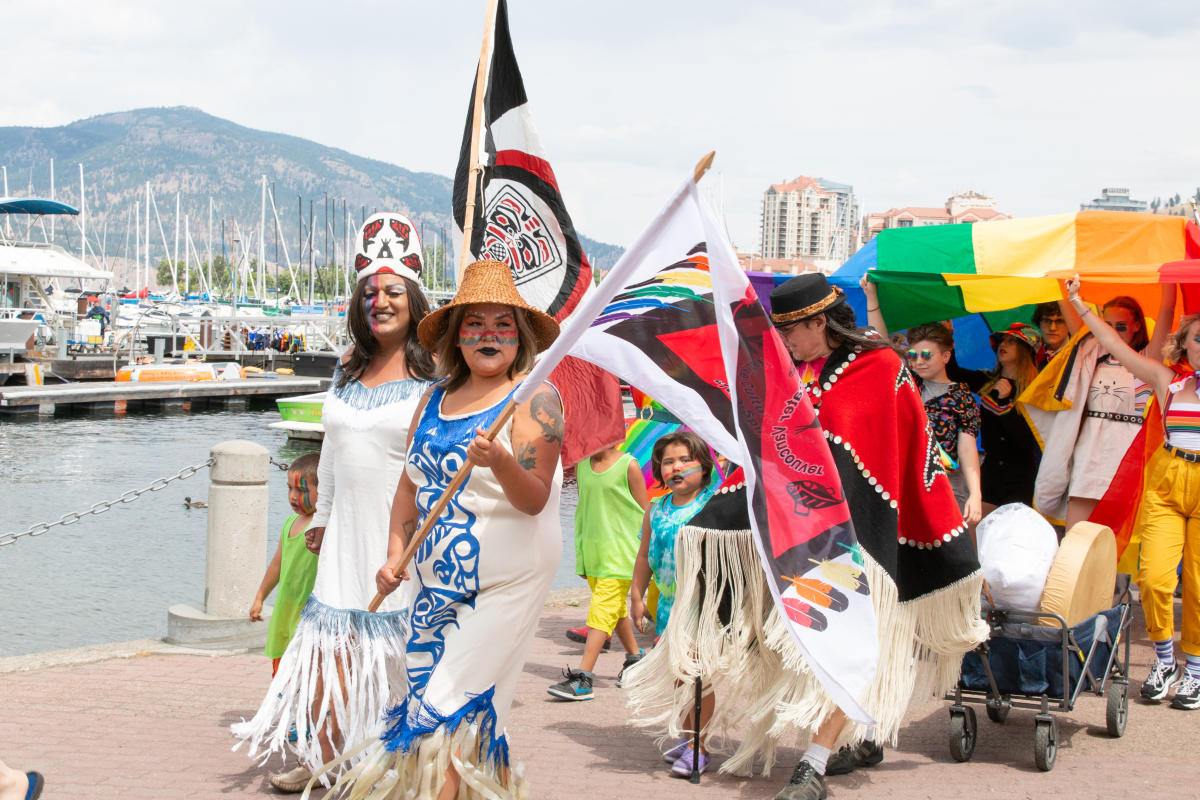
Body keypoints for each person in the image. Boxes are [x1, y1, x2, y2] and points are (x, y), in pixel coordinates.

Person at [333, 259, 564, 799]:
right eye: (474, 324)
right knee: (444, 709)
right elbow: (408, 488)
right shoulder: (432, 399)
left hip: (505, 582)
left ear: (521, 335)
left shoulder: (535, 399)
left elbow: (533, 499)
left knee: (449, 707)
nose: (488, 335)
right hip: (436, 585)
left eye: (502, 323)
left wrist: (500, 461)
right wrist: (394, 557)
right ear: (456, 338)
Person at [231, 213, 435, 792]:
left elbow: (437, 468)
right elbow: (330, 456)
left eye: (394, 291)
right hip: (344, 535)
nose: (381, 301)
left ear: (414, 300)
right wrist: (320, 518)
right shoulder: (348, 371)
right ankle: (324, 757)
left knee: (395, 663)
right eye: (370, 292)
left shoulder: (435, 379)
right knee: (327, 659)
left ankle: (388, 763)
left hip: (404, 539)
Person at [764, 274, 984, 800]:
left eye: (791, 329)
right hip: (810, 530)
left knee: (850, 640)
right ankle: (859, 735)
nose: (785, 340)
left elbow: (887, 457)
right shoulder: (805, 372)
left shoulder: (879, 368)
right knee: (820, 642)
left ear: (819, 322)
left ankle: (812, 765)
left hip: (869, 533)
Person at [1064, 277, 1200, 709]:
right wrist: (1080, 306)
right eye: (1199, 339)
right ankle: (1165, 662)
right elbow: (1116, 346)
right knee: (1154, 580)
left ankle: (1194, 671)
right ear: (1186, 345)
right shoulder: (1167, 381)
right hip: (1167, 482)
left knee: (1198, 586)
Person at [1022, 285, 1176, 531]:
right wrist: (1061, 279)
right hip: (1090, 451)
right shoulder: (1089, 352)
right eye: (1107, 324)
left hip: (1128, 454)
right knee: (1076, 538)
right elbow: (1074, 311)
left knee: (1115, 542)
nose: (1112, 332)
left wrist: (1170, 280)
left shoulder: (1149, 359)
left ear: (1137, 325)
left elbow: (1167, 312)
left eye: (1121, 326)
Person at [626, 431, 719, 776]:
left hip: (701, 604)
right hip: (667, 605)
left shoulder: (713, 504)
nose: (675, 467)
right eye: (668, 462)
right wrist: (636, 595)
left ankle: (700, 746)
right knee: (678, 676)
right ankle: (685, 737)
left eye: (684, 460)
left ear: (704, 465)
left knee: (698, 676)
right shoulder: (657, 509)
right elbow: (643, 556)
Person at [548, 444, 650, 701]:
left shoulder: (629, 466)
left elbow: (646, 514)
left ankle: (583, 678)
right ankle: (636, 659)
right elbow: (584, 512)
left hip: (622, 555)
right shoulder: (583, 466)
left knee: (599, 613)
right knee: (613, 612)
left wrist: (647, 557)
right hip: (595, 555)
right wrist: (582, 556)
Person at [949, 323, 1044, 513]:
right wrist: (948, 335)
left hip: (1020, 476)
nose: (1004, 344)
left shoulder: (1035, 391)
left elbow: (1023, 439)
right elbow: (952, 373)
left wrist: (1004, 403)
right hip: (990, 472)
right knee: (977, 530)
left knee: (1012, 536)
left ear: (1026, 350)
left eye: (1012, 341)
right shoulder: (987, 381)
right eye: (1002, 340)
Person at [248, 451, 321, 677]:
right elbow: (278, 564)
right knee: (283, 674)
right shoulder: (290, 522)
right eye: (289, 488)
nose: (292, 496)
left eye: (301, 490)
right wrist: (260, 595)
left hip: (310, 613)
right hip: (286, 609)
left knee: (309, 672)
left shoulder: (324, 527)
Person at [903, 323, 983, 526]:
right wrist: (871, 297)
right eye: (913, 355)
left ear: (946, 357)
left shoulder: (961, 396)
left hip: (946, 487)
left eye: (927, 355)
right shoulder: (906, 385)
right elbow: (882, 343)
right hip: (906, 484)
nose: (918, 361)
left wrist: (975, 493)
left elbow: (967, 448)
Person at [1032, 300, 1071, 367]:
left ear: (1070, 323)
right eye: (1047, 320)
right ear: (1039, 322)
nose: (1052, 328)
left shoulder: (1080, 351)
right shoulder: (1031, 352)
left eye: (1059, 321)